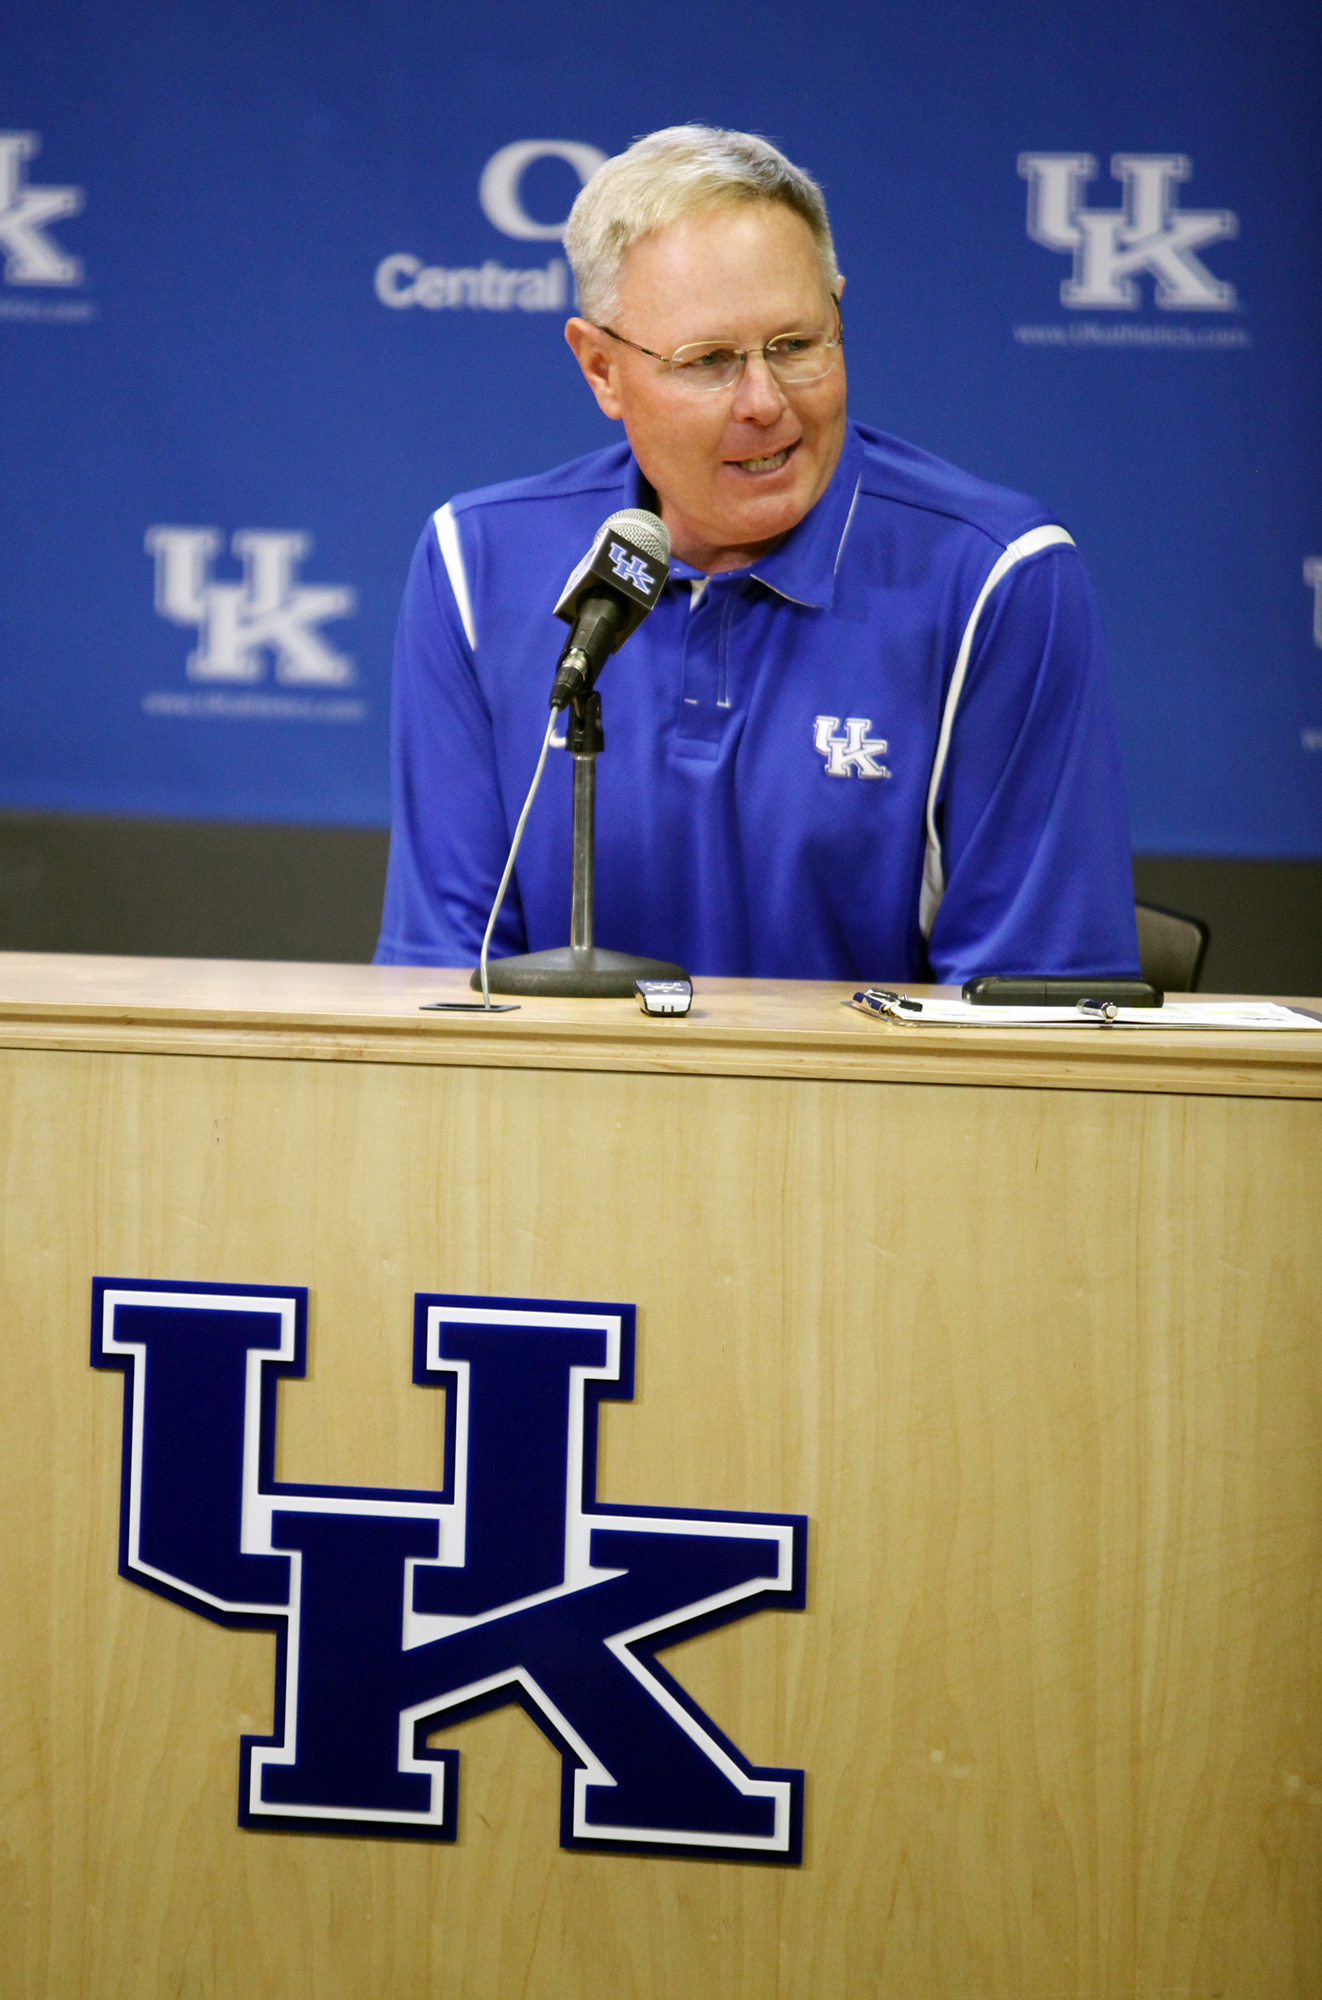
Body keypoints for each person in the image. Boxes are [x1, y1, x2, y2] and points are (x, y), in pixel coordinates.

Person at [374, 126, 1139, 982]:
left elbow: (1035, 1018)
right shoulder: (475, 566)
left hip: (875, 1114)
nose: (766, 402)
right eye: (709, 361)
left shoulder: (999, 578)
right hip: (561, 1114)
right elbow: (442, 983)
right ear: (600, 369)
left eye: (796, 345)